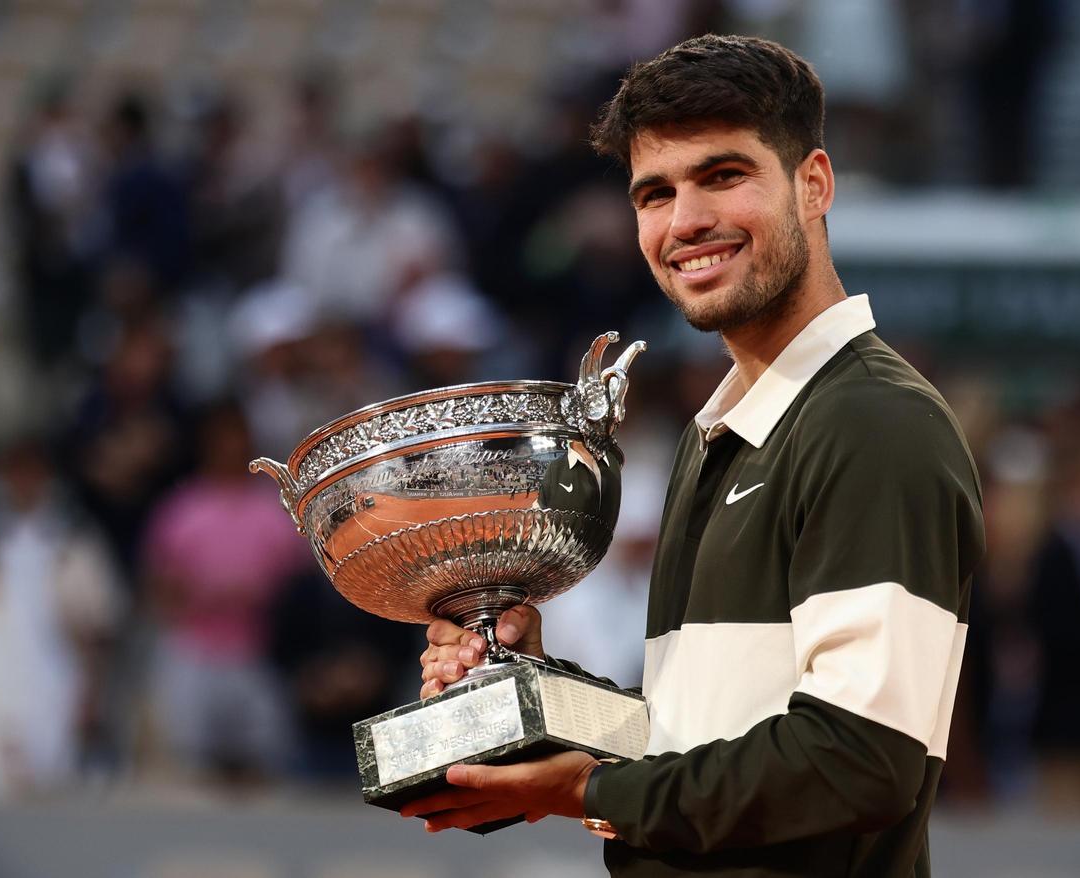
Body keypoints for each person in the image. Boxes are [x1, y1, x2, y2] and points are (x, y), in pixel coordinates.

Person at [404, 34, 985, 877]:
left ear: (814, 184)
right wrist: (532, 696)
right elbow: (692, 734)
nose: (685, 222)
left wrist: (591, 790)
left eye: (723, 175)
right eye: (655, 193)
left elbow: (860, 759)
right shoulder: (718, 429)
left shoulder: (873, 421)